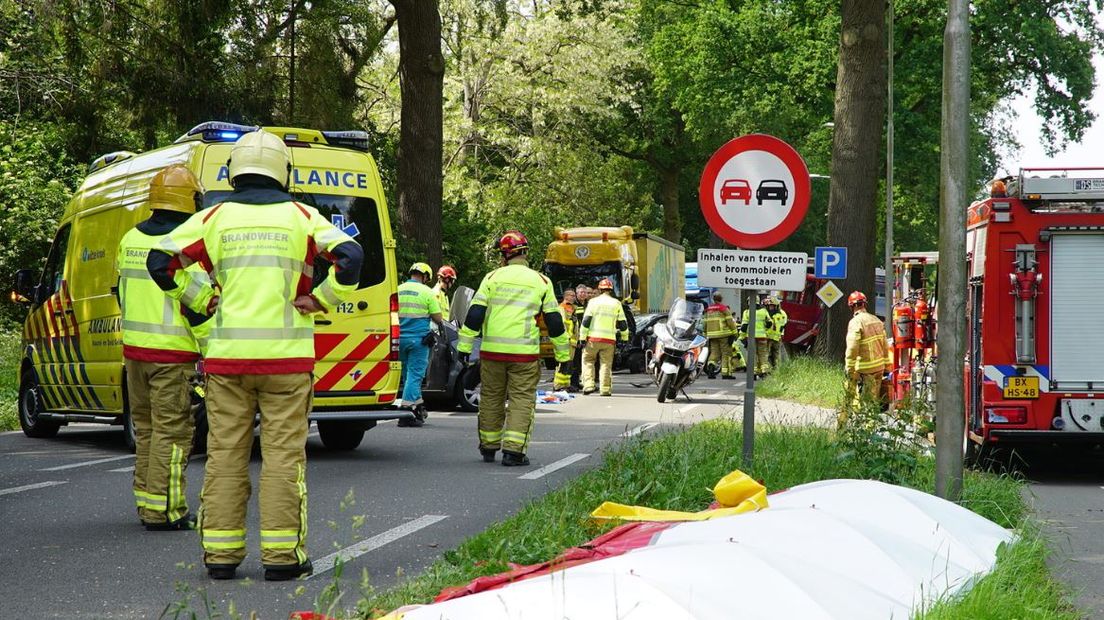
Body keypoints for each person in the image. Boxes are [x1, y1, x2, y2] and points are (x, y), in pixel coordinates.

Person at [148, 130, 364, 581]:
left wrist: (203, 298)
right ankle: (283, 560)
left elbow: (160, 261)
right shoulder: (302, 216)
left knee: (226, 454)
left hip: (228, 361)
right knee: (284, 457)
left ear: (236, 170)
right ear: (283, 170)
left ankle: (221, 557)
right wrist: (322, 298)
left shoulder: (214, 218)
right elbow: (351, 255)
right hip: (286, 361)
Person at [117, 164, 211, 532]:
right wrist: (211, 349)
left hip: (135, 353)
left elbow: (122, 294)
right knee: (172, 434)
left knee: (147, 430)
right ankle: (166, 510)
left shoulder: (130, 239)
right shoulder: (184, 244)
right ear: (188, 199)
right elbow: (197, 305)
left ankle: (147, 501)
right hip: (172, 356)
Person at [457, 231, 570, 466]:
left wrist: (465, 346)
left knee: (490, 397)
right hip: (524, 355)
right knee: (521, 400)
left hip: (492, 353)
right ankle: (513, 452)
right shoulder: (541, 281)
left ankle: (488, 447)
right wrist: (563, 355)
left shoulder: (492, 278)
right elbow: (554, 321)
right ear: (526, 253)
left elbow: (475, 314)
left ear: (504, 256)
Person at [398, 262, 444, 426]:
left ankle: (418, 407)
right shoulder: (426, 291)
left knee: (407, 376)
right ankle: (406, 412)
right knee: (415, 376)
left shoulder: (398, 289)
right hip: (418, 341)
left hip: (398, 340)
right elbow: (438, 318)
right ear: (425, 276)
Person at [843, 291, 890, 423]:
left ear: (852, 306)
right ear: (865, 304)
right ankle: (871, 427)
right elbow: (885, 345)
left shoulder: (855, 322)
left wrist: (849, 368)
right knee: (874, 401)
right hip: (879, 368)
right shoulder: (876, 320)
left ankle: (865, 432)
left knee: (864, 403)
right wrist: (887, 366)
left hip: (865, 369)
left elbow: (852, 347)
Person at [580, 278, 629, 396]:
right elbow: (623, 323)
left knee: (588, 361)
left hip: (592, 339)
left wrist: (582, 337)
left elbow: (586, 321)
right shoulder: (616, 303)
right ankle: (605, 389)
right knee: (606, 364)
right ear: (610, 290)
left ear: (599, 289)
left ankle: (588, 385)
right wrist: (625, 338)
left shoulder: (592, 302)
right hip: (609, 341)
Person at [703, 292, 738, 379]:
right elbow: (730, 322)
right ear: (721, 299)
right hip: (724, 335)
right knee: (726, 354)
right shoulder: (724, 309)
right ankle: (726, 373)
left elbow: (704, 323)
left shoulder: (708, 310)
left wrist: (705, 334)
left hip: (712, 336)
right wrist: (735, 333)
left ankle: (711, 368)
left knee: (714, 353)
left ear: (713, 299)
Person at [739, 294, 772, 378]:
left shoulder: (746, 312)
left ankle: (753, 372)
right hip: (762, 337)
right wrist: (765, 329)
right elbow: (769, 323)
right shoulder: (764, 311)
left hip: (751, 337)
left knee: (752, 355)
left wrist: (741, 337)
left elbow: (744, 327)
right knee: (762, 354)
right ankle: (764, 370)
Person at [552, 289, 577, 391]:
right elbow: (562, 324)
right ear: (565, 296)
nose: (573, 297)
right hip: (565, 340)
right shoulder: (562, 308)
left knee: (569, 363)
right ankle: (558, 385)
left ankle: (566, 384)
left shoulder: (572, 308)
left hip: (572, 341)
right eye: (571, 295)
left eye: (574, 295)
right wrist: (567, 337)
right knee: (562, 363)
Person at [569, 284, 589, 390]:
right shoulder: (573, 305)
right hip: (576, 337)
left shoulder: (589, 304)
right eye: (580, 292)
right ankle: (573, 383)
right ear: (576, 294)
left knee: (583, 361)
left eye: (584, 292)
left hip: (586, 336)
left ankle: (579, 382)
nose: (582, 294)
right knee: (575, 362)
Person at [764, 296, 788, 370]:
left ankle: (776, 370)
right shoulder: (767, 313)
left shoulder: (781, 314)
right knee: (767, 354)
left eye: (772, 306)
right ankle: (768, 369)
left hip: (776, 337)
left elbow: (783, 325)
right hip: (768, 337)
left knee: (776, 354)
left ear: (776, 306)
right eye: (769, 306)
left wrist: (781, 334)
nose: (770, 307)